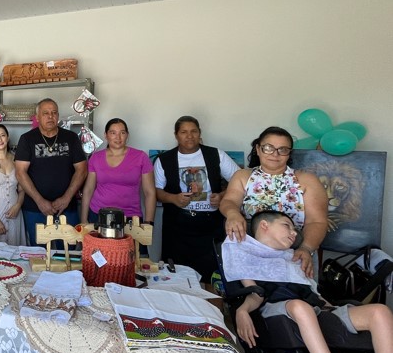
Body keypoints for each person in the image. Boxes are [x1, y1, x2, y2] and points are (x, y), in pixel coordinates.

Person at [229, 211, 393, 353]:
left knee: (380, 312)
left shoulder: (295, 258)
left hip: (313, 310)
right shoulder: (246, 254)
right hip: (278, 312)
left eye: (294, 229)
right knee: (301, 307)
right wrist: (242, 310)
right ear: (265, 225)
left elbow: (315, 296)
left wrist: (332, 308)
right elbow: (255, 293)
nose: (294, 233)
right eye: (287, 226)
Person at [220, 126, 328, 277]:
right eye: (268, 148)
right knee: (252, 290)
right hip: (251, 252)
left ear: (289, 153)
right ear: (258, 149)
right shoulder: (243, 176)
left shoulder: (307, 180)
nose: (275, 154)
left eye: (282, 149)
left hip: (295, 252)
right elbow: (229, 201)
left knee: (295, 291)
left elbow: (317, 221)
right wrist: (232, 214)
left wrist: (306, 248)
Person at [155, 116, 240, 281]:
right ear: (176, 135)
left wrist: (222, 196)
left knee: (212, 274)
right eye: (184, 132)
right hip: (177, 227)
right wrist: (174, 198)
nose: (189, 136)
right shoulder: (164, 160)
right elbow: (156, 191)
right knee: (175, 275)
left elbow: (240, 181)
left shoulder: (216, 155)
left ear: (200, 133)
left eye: (193, 131)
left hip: (211, 225)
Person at [15, 98, 87, 246]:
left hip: (67, 207)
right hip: (35, 208)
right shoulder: (27, 139)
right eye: (45, 113)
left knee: (68, 252)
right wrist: (40, 201)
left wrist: (66, 198)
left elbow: (82, 169)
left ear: (58, 116)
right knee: (39, 253)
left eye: (54, 113)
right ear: (37, 117)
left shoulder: (71, 138)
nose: (50, 116)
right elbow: (20, 173)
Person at [80, 118, 155, 226]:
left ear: (127, 135)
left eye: (122, 133)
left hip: (130, 217)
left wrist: (149, 223)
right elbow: (88, 189)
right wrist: (84, 220)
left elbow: (149, 192)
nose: (118, 137)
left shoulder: (141, 157)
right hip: (98, 215)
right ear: (106, 135)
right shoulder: (96, 157)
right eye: (113, 133)